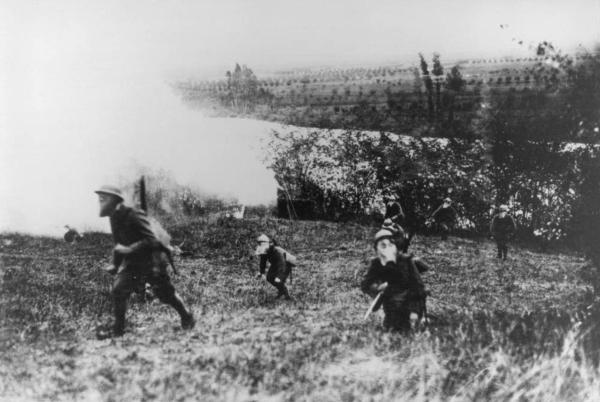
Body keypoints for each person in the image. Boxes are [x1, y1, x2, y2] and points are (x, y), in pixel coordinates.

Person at [95, 185, 195, 339]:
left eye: (103, 199)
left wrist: (129, 250)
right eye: (99, 199)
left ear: (114, 200)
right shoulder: (114, 217)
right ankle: (118, 330)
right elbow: (119, 245)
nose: (100, 202)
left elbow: (152, 240)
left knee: (165, 294)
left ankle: (186, 315)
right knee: (119, 290)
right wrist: (115, 264)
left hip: (151, 260)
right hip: (132, 262)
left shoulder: (133, 214)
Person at [361, 229, 429, 332]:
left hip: (409, 301)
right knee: (391, 329)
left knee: (409, 330)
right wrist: (378, 287)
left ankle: (418, 320)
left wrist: (414, 312)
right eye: (382, 246)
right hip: (390, 303)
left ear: (396, 247)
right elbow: (366, 284)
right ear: (376, 249)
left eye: (390, 245)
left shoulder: (406, 261)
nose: (387, 249)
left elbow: (418, 287)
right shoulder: (376, 264)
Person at [255, 234, 294, 300]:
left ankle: (287, 296)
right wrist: (261, 272)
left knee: (278, 281)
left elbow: (282, 263)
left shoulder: (276, 251)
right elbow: (263, 262)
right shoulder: (264, 251)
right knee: (269, 277)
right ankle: (281, 291)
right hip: (275, 264)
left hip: (285, 264)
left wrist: (279, 276)